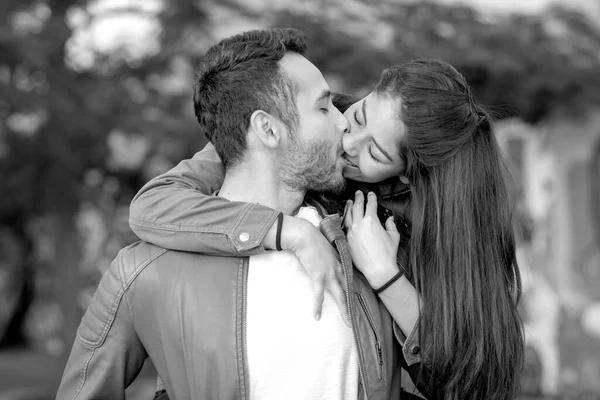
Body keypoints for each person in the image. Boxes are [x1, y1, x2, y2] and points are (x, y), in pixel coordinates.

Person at [56, 28, 421, 400]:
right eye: (323, 108)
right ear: (267, 128)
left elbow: (463, 374)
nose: (343, 123)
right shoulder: (143, 272)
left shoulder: (371, 243)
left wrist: (387, 276)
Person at [129, 58, 525, 399]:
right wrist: (287, 231)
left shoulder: (426, 229)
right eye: (359, 117)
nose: (349, 141)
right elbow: (155, 203)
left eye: (375, 153)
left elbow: (467, 380)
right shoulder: (300, 128)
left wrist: (385, 275)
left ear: (405, 178)